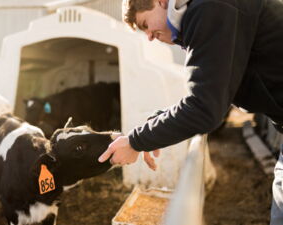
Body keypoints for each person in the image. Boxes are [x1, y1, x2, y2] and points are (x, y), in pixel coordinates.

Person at [98, 0, 283, 224]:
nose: (148, 36)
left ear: (161, 1)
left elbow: (205, 108)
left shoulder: (210, 8)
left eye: (145, 24)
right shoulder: (206, 13)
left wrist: (136, 141)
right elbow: (213, 92)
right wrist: (159, 123)